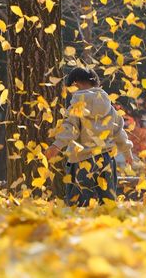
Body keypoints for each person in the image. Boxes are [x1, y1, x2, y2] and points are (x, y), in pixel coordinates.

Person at [45, 67, 133, 205]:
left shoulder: (77, 105)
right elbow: (119, 131)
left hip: (82, 159)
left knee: (79, 200)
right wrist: (127, 152)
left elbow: (71, 128)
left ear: (76, 85)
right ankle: (108, 224)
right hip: (107, 158)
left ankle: (79, 225)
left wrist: (57, 145)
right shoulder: (109, 108)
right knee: (107, 199)